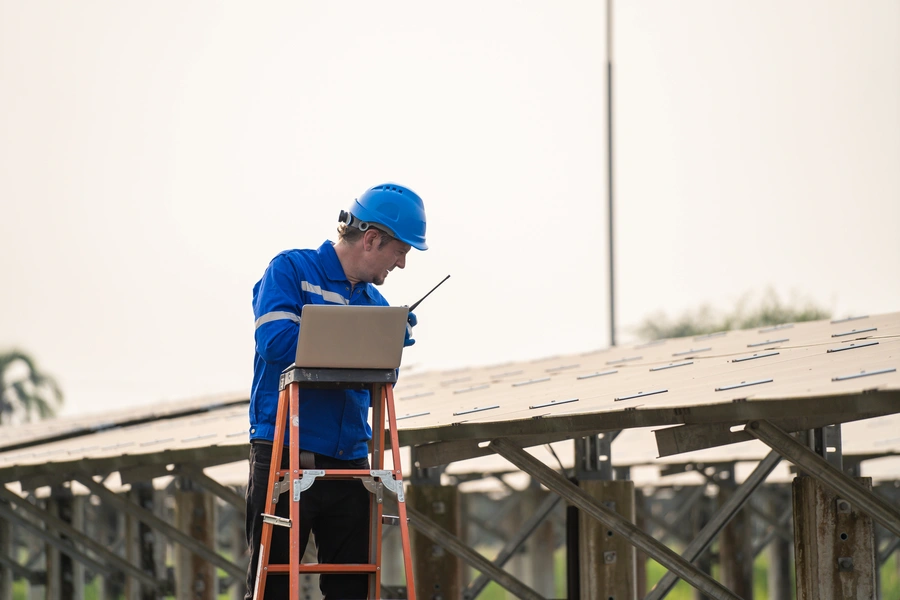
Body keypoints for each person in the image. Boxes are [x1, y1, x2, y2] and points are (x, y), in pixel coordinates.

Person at [244, 183, 428, 599]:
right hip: (284, 454)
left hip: (351, 462)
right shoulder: (290, 271)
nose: (401, 265)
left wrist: (386, 343)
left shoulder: (376, 305)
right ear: (371, 239)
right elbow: (274, 342)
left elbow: (383, 382)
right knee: (271, 587)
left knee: (353, 589)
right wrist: (356, 340)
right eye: (401, 252)